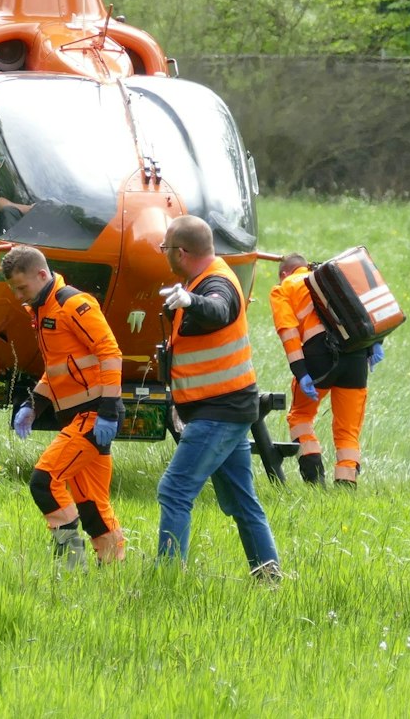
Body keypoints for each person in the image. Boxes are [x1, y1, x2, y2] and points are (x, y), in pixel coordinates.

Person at [153, 215, 281, 582]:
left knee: (174, 490)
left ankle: (167, 579)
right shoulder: (203, 279)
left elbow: (219, 309)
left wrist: (191, 301)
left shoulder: (218, 283)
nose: (163, 254)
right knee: (241, 500)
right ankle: (268, 577)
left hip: (220, 411)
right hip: (228, 408)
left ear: (181, 252)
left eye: (165, 248)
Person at [5, 243, 127, 567]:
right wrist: (34, 404)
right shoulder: (41, 310)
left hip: (94, 416)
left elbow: (110, 352)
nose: (19, 296)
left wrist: (109, 410)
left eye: (22, 287)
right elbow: (60, 368)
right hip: (79, 417)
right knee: (91, 504)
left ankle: (71, 563)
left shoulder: (72, 304)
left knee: (44, 481)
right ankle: (113, 573)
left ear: (41, 274)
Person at [269, 253, 382, 486]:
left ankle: (313, 478)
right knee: (348, 428)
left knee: (301, 416)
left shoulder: (283, 288)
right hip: (356, 357)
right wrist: (375, 343)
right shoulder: (329, 280)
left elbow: (288, 331)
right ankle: (346, 485)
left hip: (319, 359)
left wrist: (301, 372)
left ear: (284, 274)